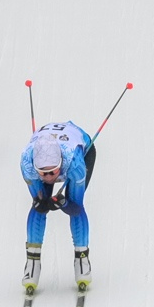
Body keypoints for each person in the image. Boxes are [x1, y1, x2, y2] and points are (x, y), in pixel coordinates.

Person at [20, 121, 96, 291]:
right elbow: (39, 204)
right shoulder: (27, 164)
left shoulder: (74, 164)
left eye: (52, 172)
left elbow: (75, 208)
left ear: (60, 164)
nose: (48, 177)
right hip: (52, 154)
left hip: (81, 151)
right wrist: (43, 203)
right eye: (43, 173)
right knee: (39, 206)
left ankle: (82, 260)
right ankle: (32, 264)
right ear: (35, 168)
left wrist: (64, 203)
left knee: (73, 200)